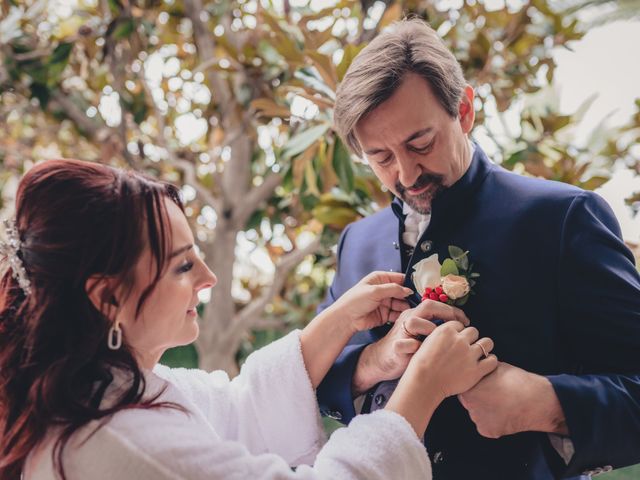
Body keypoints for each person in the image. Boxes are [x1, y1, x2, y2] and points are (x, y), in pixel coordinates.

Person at [0, 159, 497, 480]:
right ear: (108, 298)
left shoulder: (97, 390)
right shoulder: (120, 444)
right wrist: (423, 388)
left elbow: (234, 413)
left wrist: (337, 326)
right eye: (182, 265)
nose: (209, 277)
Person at [316, 18, 640, 480]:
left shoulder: (564, 219)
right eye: (381, 158)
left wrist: (546, 404)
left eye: (420, 143)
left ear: (464, 110)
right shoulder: (356, 243)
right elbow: (312, 375)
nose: (406, 176)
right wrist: (373, 361)